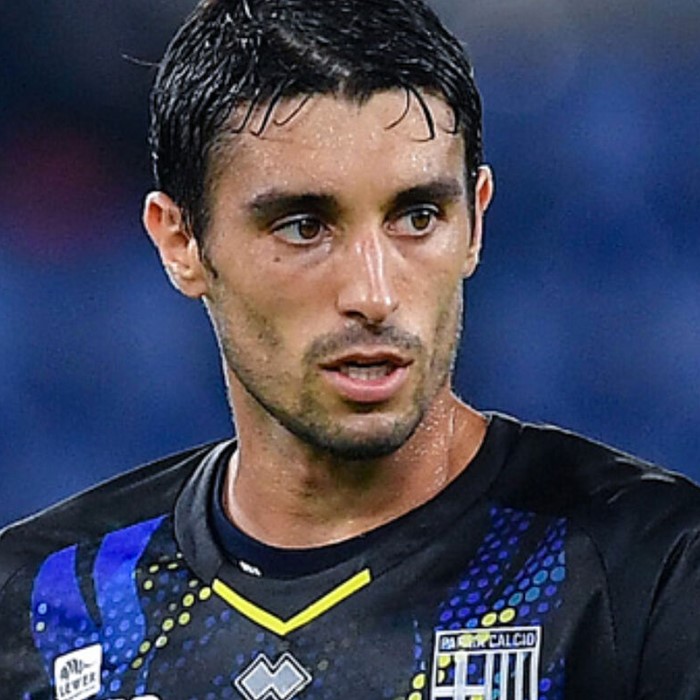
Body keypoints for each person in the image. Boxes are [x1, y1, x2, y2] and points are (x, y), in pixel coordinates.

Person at [1, 0, 700, 698]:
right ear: (181, 242)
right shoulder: (44, 605)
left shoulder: (646, 571)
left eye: (417, 217)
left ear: (476, 223)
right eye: (304, 226)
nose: (374, 293)